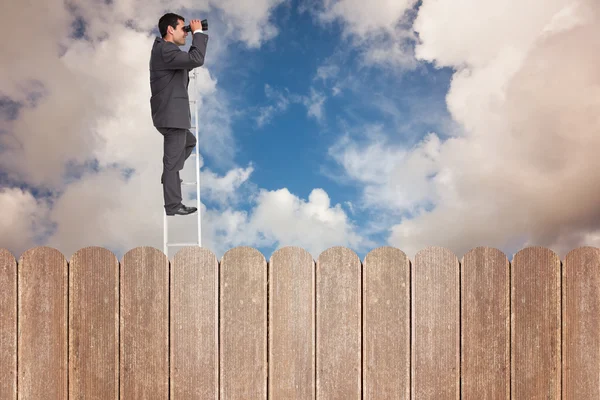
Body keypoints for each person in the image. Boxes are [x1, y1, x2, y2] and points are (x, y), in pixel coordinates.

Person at [149, 13, 209, 216]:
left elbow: (189, 61)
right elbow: (196, 59)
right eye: (183, 28)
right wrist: (198, 33)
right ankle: (173, 205)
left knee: (189, 143)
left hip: (172, 115)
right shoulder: (166, 50)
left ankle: (170, 175)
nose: (186, 32)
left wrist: (193, 35)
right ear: (170, 30)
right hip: (172, 116)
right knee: (172, 163)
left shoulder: (165, 50)